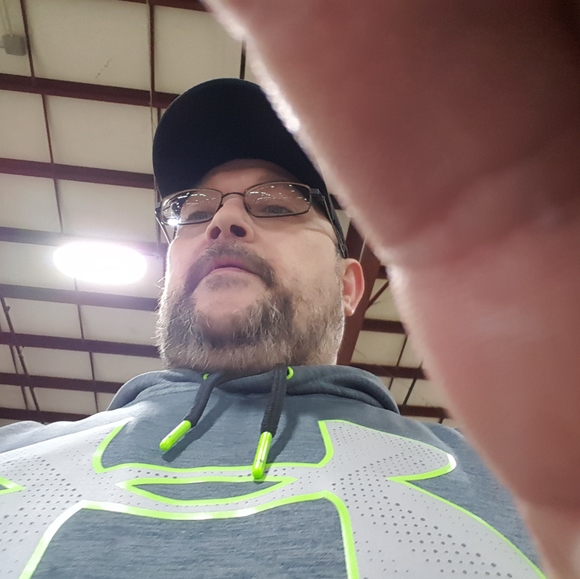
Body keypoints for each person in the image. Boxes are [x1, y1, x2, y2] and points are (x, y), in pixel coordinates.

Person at [0, 78, 546, 578]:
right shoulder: (10, 454)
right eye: (193, 213)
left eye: (279, 206)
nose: (222, 220)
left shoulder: (534, 493)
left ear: (348, 287)